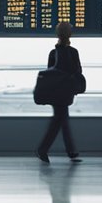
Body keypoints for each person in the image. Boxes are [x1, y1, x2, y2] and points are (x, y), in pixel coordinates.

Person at [37, 22, 83, 164]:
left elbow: (50, 72)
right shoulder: (73, 52)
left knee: (61, 120)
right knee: (60, 120)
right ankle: (46, 150)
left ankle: (68, 151)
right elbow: (78, 71)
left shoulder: (53, 53)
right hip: (65, 92)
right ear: (70, 34)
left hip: (56, 92)